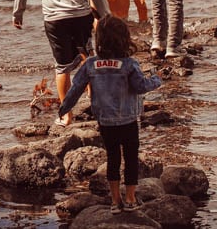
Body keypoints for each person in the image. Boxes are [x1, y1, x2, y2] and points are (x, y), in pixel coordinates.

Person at [58, 15, 162, 215]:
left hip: (105, 122)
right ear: (124, 39)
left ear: (99, 40)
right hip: (128, 121)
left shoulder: (90, 65)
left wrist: (65, 108)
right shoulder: (129, 64)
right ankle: (131, 198)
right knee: (131, 159)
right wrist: (156, 79)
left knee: (113, 158)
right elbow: (141, 86)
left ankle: (115, 201)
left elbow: (76, 89)